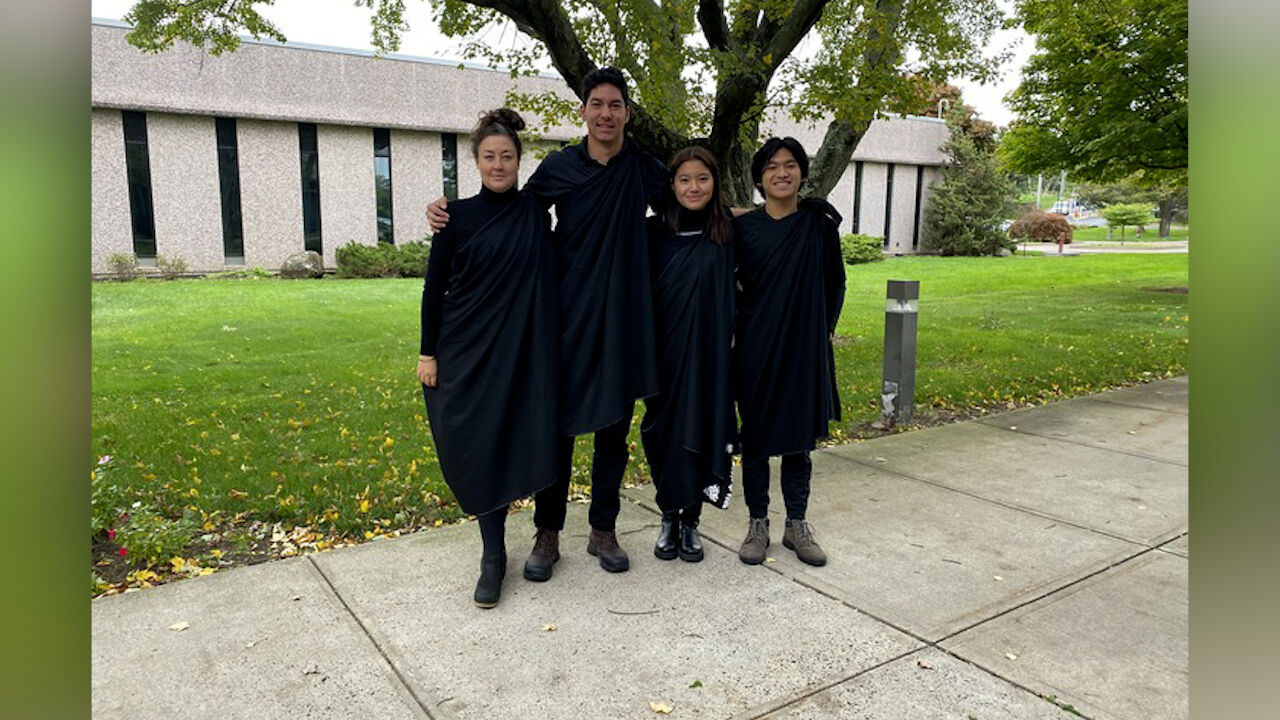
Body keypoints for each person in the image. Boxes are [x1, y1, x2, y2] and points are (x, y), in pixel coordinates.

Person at [428, 68, 667, 579]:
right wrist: (450, 211)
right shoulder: (559, 168)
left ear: (626, 112)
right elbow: (511, 211)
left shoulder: (645, 170)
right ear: (582, 111)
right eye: (597, 104)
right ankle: (548, 531)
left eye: (615, 104)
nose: (606, 113)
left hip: (622, 316)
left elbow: (688, 207)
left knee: (611, 431)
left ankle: (604, 529)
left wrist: (756, 214)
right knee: (555, 429)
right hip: (564, 316)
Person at [416, 109, 557, 608]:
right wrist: (428, 351)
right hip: (466, 349)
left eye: (507, 156)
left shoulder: (536, 211)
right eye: (489, 157)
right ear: (475, 162)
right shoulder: (453, 217)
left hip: (522, 350)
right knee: (477, 443)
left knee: (524, 435)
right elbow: (435, 289)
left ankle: (546, 537)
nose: (498, 165)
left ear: (520, 160)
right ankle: (492, 554)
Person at [732, 137, 846, 567]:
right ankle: (757, 523)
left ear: (801, 171)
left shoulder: (818, 225)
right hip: (756, 347)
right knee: (758, 440)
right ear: (760, 178)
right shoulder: (744, 230)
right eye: (772, 167)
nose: (782, 173)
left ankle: (797, 523)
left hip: (804, 348)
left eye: (790, 165)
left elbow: (836, 282)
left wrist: (822, 331)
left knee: (799, 442)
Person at [641, 147, 737, 563]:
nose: (693, 187)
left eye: (702, 178)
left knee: (700, 429)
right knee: (662, 433)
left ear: (714, 183)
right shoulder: (652, 233)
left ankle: (692, 521)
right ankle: (667, 515)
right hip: (662, 352)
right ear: (672, 184)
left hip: (710, 356)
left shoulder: (728, 232)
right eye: (684, 179)